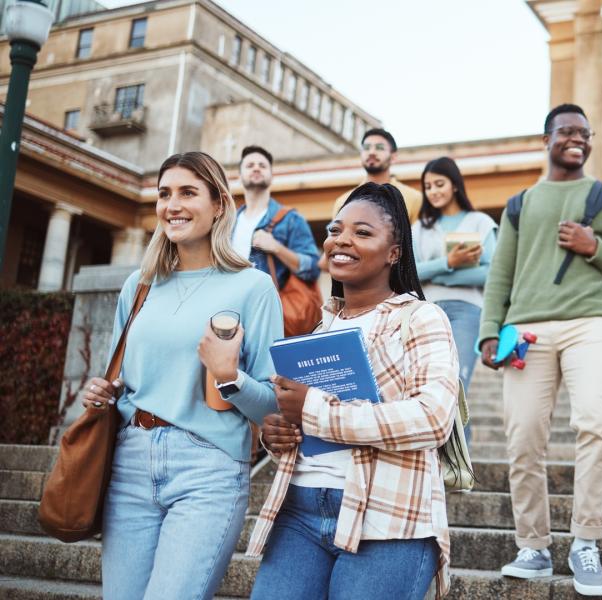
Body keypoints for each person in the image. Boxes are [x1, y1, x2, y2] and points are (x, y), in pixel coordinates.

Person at [81, 151, 283, 600]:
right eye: (164, 193)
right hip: (130, 461)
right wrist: (103, 391)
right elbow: (121, 376)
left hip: (208, 467)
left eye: (188, 192)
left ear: (218, 206)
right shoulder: (139, 285)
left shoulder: (254, 287)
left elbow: (273, 401)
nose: (172, 204)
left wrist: (229, 376)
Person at [246, 182, 460, 600]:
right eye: (335, 229)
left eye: (363, 233)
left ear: (394, 252)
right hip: (300, 512)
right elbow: (305, 420)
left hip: (387, 517)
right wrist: (278, 434)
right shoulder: (320, 327)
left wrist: (316, 412)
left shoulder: (421, 318)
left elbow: (434, 419)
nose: (341, 240)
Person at [479, 103, 602, 596]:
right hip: (526, 330)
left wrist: (594, 248)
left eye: (585, 133)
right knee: (523, 436)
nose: (577, 139)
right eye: (566, 131)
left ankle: (586, 541)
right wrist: (490, 330)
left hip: (590, 322)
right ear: (546, 139)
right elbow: (500, 275)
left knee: (597, 421)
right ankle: (532, 546)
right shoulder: (520, 203)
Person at [411, 156, 497, 434]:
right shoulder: (419, 228)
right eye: (428, 186)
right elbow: (411, 272)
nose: (433, 191)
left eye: (440, 184)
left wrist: (434, 272)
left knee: (456, 387)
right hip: (426, 312)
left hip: (467, 310)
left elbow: (490, 273)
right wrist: (449, 262)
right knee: (427, 389)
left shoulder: (479, 222)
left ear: (455, 185)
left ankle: (461, 472)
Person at [232, 144, 321, 293]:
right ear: (239, 177)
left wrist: (277, 248)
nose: (256, 168)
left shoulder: (291, 219)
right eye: (249, 165)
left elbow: (313, 268)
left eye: (262, 165)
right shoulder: (227, 222)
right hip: (229, 306)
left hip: (267, 308)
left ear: (272, 176)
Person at [330, 128, 422, 223]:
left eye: (379, 148)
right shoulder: (343, 201)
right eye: (366, 148)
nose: (371, 152)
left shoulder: (414, 198)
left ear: (393, 157)